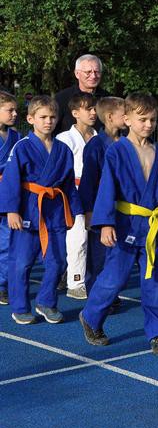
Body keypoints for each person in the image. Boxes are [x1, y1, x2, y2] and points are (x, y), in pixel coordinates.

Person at [79, 93, 158, 355]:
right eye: (142, 119)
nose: (148, 124)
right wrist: (105, 224)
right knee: (114, 278)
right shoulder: (117, 151)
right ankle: (91, 316)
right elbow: (107, 187)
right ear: (127, 119)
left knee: (154, 281)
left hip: (152, 225)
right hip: (124, 224)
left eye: (153, 119)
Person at [0, 96, 82, 325]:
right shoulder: (22, 147)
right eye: (43, 117)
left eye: (52, 117)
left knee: (58, 261)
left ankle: (46, 301)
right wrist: (11, 211)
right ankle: (20, 306)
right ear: (31, 119)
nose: (48, 121)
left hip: (54, 211)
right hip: (28, 210)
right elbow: (11, 180)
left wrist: (74, 211)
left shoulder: (63, 150)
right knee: (21, 262)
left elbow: (68, 184)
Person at [78, 97, 126, 298]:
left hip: (125, 207)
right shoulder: (96, 145)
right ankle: (96, 293)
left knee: (118, 253)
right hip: (100, 206)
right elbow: (88, 181)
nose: (127, 117)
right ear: (109, 117)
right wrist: (89, 212)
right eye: (124, 114)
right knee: (99, 255)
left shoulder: (128, 143)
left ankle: (111, 292)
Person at [55, 92, 97, 300]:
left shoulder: (98, 137)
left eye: (93, 108)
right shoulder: (64, 138)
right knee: (77, 237)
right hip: (72, 192)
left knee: (94, 240)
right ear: (75, 113)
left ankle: (88, 278)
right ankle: (76, 282)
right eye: (87, 109)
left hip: (96, 192)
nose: (93, 112)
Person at [0, 91, 21, 307]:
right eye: (9, 110)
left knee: (7, 243)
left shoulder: (17, 138)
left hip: (8, 196)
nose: (15, 114)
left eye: (16, 110)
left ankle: (2, 285)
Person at [54, 54, 110, 134]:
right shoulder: (62, 98)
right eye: (88, 72)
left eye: (97, 72)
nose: (93, 76)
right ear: (77, 74)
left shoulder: (108, 99)